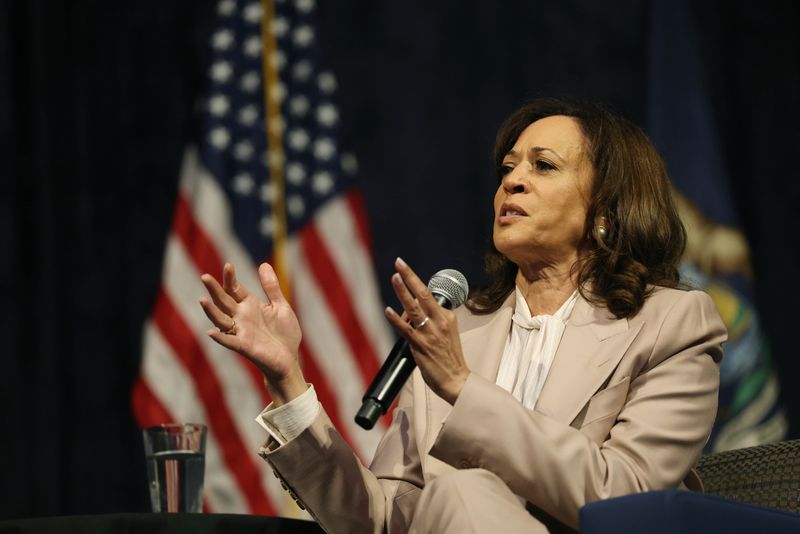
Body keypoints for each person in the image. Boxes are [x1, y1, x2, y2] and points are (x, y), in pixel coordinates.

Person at [198, 97, 727, 533]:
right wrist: (289, 381)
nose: (512, 182)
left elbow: (625, 496)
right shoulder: (460, 333)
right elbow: (380, 522)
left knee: (462, 489)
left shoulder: (672, 323)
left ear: (608, 212)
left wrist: (462, 386)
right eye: (508, 168)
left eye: (543, 166)